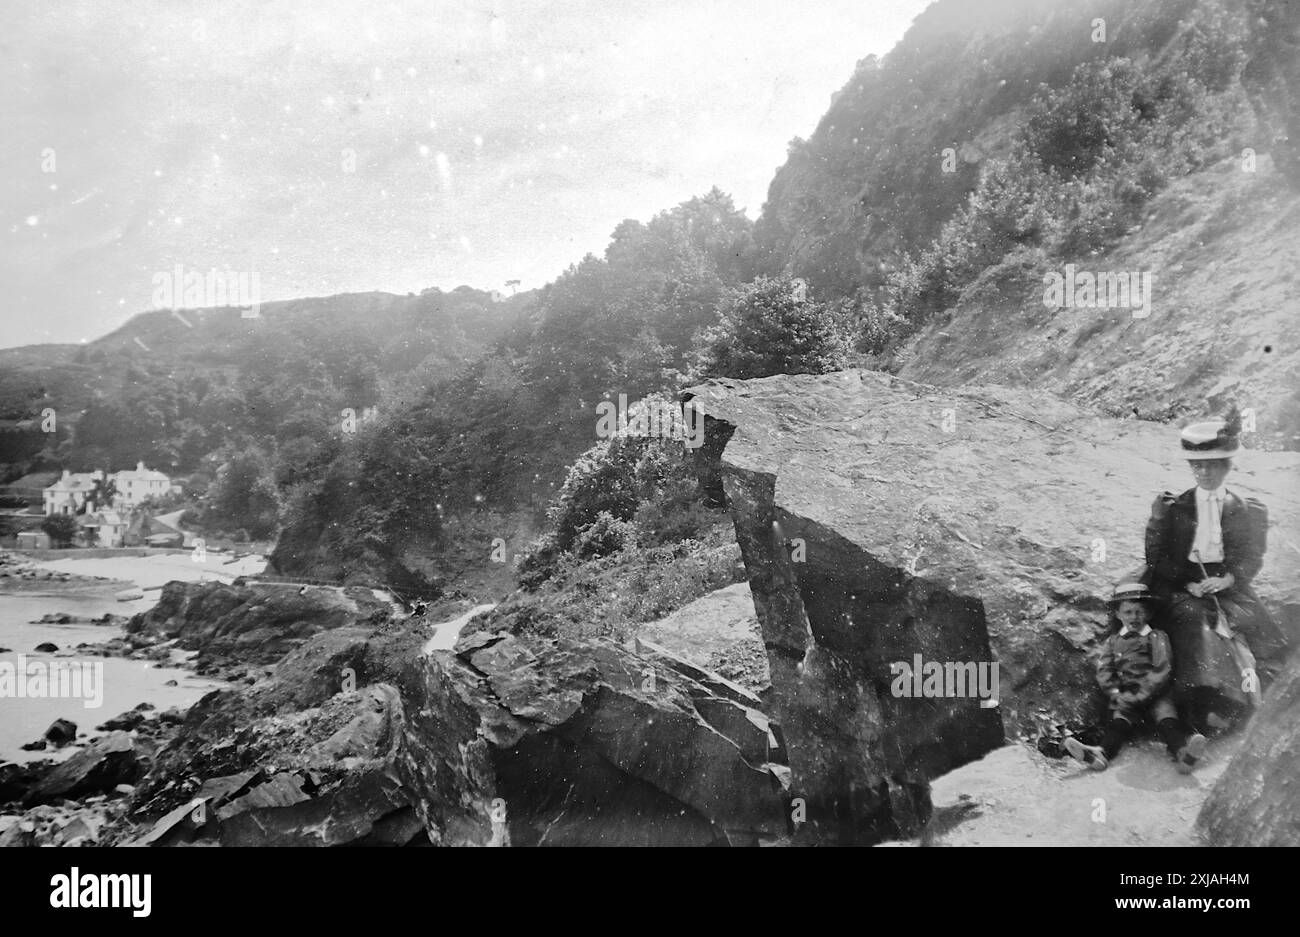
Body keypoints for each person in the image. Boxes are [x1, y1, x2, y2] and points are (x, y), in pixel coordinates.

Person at [1140, 413, 1287, 734]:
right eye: (1198, 466)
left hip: (1224, 582)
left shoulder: (1245, 510)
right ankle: (1208, 705)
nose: (1204, 473)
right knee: (1198, 624)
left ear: (1226, 467)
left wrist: (1230, 579)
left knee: (1260, 630)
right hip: (1182, 583)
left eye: (1212, 466)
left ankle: (1257, 708)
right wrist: (1188, 583)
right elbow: (1156, 558)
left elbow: (1251, 557)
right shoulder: (1173, 508)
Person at [1063, 582, 1207, 773]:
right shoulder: (1114, 641)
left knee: (1167, 720)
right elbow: (1105, 670)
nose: (1134, 617)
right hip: (1126, 694)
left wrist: (1143, 693)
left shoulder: (1156, 637)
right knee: (1118, 723)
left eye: (1139, 612)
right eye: (1128, 612)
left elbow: (1162, 668)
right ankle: (1100, 754)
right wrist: (1116, 693)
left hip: (1156, 693)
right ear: (1118, 615)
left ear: (1148, 614)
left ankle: (1183, 754)